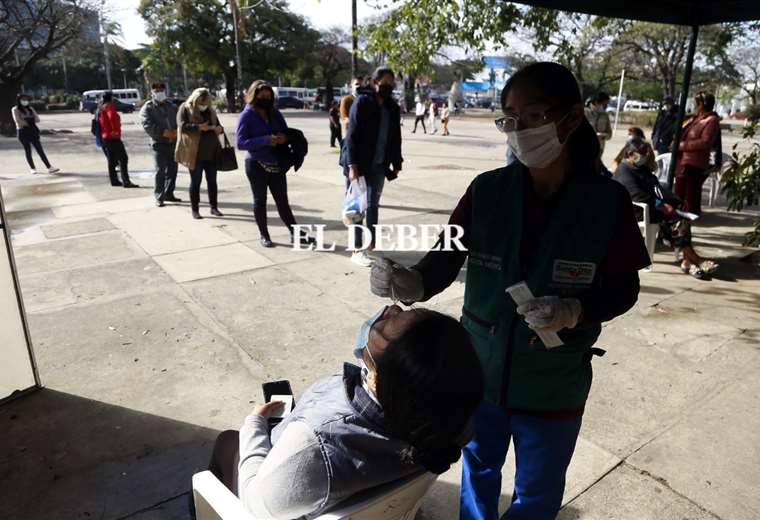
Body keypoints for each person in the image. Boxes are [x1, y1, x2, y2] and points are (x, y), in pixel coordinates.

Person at [370, 62, 650, 520]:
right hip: (479, 372)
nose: (519, 130)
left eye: (533, 115)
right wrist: (412, 281)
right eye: (509, 118)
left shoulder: (606, 203)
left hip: (553, 382)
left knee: (537, 493)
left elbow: (624, 289)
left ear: (571, 118)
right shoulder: (486, 191)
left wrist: (574, 310)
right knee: (478, 475)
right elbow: (442, 261)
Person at [207, 305, 484, 518]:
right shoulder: (454, 418)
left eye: (390, 323)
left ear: (377, 379)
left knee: (228, 442)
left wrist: (255, 423)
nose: (389, 310)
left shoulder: (316, 447)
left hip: (288, 487)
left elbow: (257, 506)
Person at [614, 137, 718, 279]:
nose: (644, 156)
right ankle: (694, 259)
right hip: (636, 210)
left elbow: (656, 188)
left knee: (680, 217)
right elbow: (636, 195)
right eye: (642, 153)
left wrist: (675, 201)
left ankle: (688, 261)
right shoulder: (624, 170)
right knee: (677, 220)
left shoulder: (640, 168)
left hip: (651, 208)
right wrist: (661, 205)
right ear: (631, 153)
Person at [236, 80, 312, 248]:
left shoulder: (275, 113)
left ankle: (295, 233)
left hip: (276, 162)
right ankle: (264, 235)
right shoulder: (247, 115)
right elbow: (240, 143)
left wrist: (284, 138)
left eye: (268, 96)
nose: (265, 98)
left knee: (282, 201)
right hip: (256, 164)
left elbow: (285, 132)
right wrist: (266, 140)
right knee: (260, 201)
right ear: (253, 95)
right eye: (262, 95)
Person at [343, 67, 403, 267]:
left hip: (379, 165)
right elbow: (351, 136)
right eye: (384, 83)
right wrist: (352, 166)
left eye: (391, 84)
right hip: (358, 164)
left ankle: (371, 245)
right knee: (357, 208)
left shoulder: (392, 107)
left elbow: (395, 138)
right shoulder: (362, 102)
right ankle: (356, 249)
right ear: (374, 83)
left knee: (373, 206)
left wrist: (397, 162)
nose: (388, 87)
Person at [673, 91, 721, 273]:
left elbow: (705, 142)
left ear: (703, 103)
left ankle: (687, 252)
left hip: (693, 167)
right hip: (682, 166)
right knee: (678, 208)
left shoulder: (711, 121)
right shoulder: (695, 118)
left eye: (697, 102)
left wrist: (682, 146)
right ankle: (685, 250)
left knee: (687, 209)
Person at [175, 88, 223, 220]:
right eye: (201, 102)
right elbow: (182, 125)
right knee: (195, 182)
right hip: (194, 153)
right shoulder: (185, 108)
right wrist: (199, 128)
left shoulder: (210, 110)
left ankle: (214, 207)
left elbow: (218, 125)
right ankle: (195, 210)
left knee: (212, 181)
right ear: (195, 100)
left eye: (206, 102)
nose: (203, 105)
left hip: (211, 152)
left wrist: (219, 129)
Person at [140, 81, 181, 207]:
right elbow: (147, 125)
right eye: (156, 90)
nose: (159, 92)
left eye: (161, 90)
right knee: (160, 171)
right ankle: (159, 196)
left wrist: (177, 131)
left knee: (173, 170)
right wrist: (163, 132)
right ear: (151, 92)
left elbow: (180, 120)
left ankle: (169, 193)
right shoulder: (148, 107)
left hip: (173, 143)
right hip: (159, 143)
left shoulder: (172, 106)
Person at [99, 92, 138, 188]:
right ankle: (126, 181)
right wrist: (114, 130)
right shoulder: (109, 107)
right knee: (123, 158)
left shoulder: (101, 107)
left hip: (105, 137)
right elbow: (111, 116)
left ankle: (114, 180)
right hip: (113, 137)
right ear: (111, 98)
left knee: (111, 160)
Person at [12, 94, 59, 175]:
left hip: (33, 131)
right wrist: (29, 121)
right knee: (28, 150)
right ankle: (32, 168)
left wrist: (29, 121)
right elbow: (18, 120)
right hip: (22, 131)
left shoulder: (30, 108)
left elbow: (37, 119)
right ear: (19, 100)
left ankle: (49, 167)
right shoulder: (15, 109)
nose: (25, 101)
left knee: (40, 150)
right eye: (23, 99)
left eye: (26, 99)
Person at [584, 91, 612, 156]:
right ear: (596, 102)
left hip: (599, 149)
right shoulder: (584, 113)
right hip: (585, 148)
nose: (606, 107)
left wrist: (603, 135)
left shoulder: (605, 115)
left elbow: (609, 134)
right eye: (604, 104)